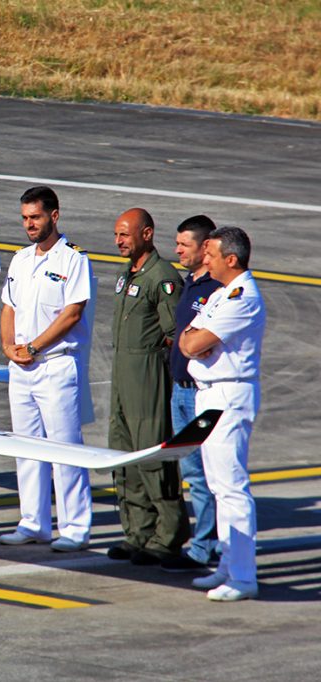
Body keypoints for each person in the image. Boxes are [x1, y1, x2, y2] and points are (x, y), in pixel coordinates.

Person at [0, 186, 93, 552]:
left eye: (35, 217)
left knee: (65, 448)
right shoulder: (20, 259)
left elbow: (72, 313)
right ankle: (33, 522)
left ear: (54, 215)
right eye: (24, 218)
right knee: (26, 447)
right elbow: (8, 308)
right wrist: (9, 348)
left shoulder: (73, 259)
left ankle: (75, 527)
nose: (29, 225)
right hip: (21, 367)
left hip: (55, 365)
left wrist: (35, 347)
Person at [179, 226, 266, 601]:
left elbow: (194, 341)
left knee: (231, 486)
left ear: (231, 259)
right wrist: (193, 342)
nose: (205, 258)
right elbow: (187, 341)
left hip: (229, 393)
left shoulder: (241, 296)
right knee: (217, 486)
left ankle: (244, 576)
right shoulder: (220, 293)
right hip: (209, 393)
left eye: (211, 254)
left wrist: (194, 342)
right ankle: (228, 566)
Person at [107, 208, 190, 565]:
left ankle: (168, 535)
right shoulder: (127, 274)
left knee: (152, 453)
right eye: (117, 235)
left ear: (147, 234)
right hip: (122, 371)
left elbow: (176, 335)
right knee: (124, 454)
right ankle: (137, 532)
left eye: (125, 234)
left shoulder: (163, 278)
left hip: (148, 373)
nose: (119, 241)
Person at [161, 215, 223, 572]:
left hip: (198, 394)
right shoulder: (190, 282)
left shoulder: (216, 288)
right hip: (179, 391)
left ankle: (205, 547)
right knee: (193, 473)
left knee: (205, 475)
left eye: (184, 245)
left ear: (205, 248)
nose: (178, 250)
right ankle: (205, 542)